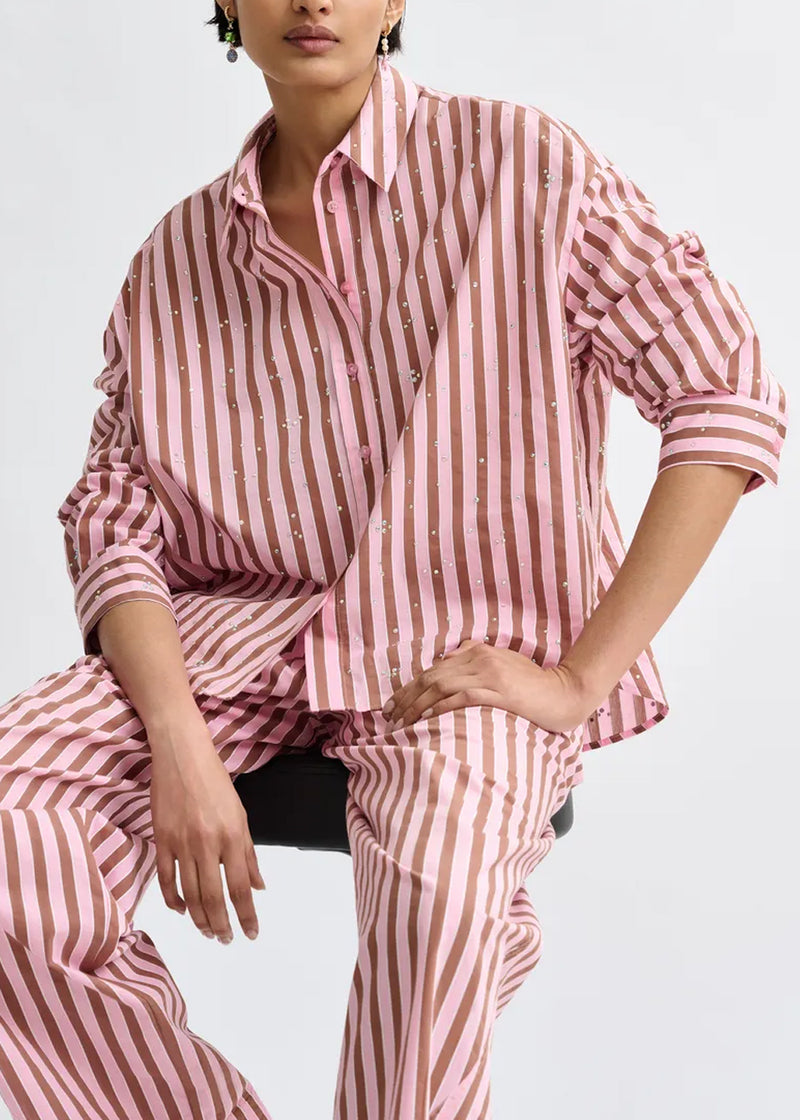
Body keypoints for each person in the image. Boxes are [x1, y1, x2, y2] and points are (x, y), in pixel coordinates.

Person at [0, 1, 789, 1117]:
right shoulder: (173, 261)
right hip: (232, 653)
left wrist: (576, 680)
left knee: (436, 891)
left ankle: (466, 932)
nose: (311, 0)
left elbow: (723, 391)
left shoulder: (522, 169)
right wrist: (174, 735)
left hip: (459, 659)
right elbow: (114, 521)